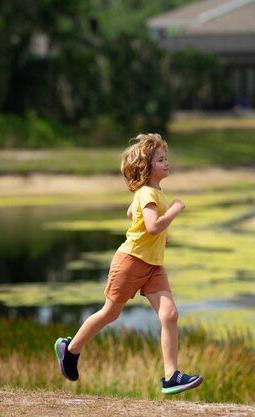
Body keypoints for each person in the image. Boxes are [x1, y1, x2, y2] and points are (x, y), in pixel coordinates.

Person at [55, 133, 203, 395]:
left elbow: (134, 216)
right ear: (147, 167)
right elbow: (153, 226)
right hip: (131, 261)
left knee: (170, 315)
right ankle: (71, 349)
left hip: (153, 265)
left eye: (166, 157)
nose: (167, 162)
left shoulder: (151, 192)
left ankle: (171, 376)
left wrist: (155, 233)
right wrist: (175, 210)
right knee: (110, 313)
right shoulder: (147, 192)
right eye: (161, 159)